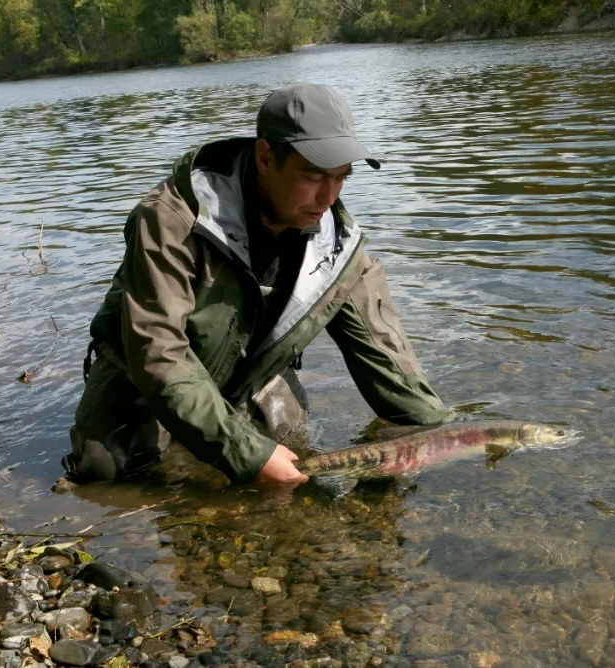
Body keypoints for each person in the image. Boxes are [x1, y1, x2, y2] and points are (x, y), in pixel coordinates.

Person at [61, 83, 454, 488]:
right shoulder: (170, 220)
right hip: (139, 381)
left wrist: (452, 434)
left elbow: (386, 358)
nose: (328, 197)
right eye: (314, 176)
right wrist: (246, 454)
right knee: (105, 474)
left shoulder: (339, 247)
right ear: (266, 157)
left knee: (297, 449)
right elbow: (157, 352)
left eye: (341, 178)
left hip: (250, 376)